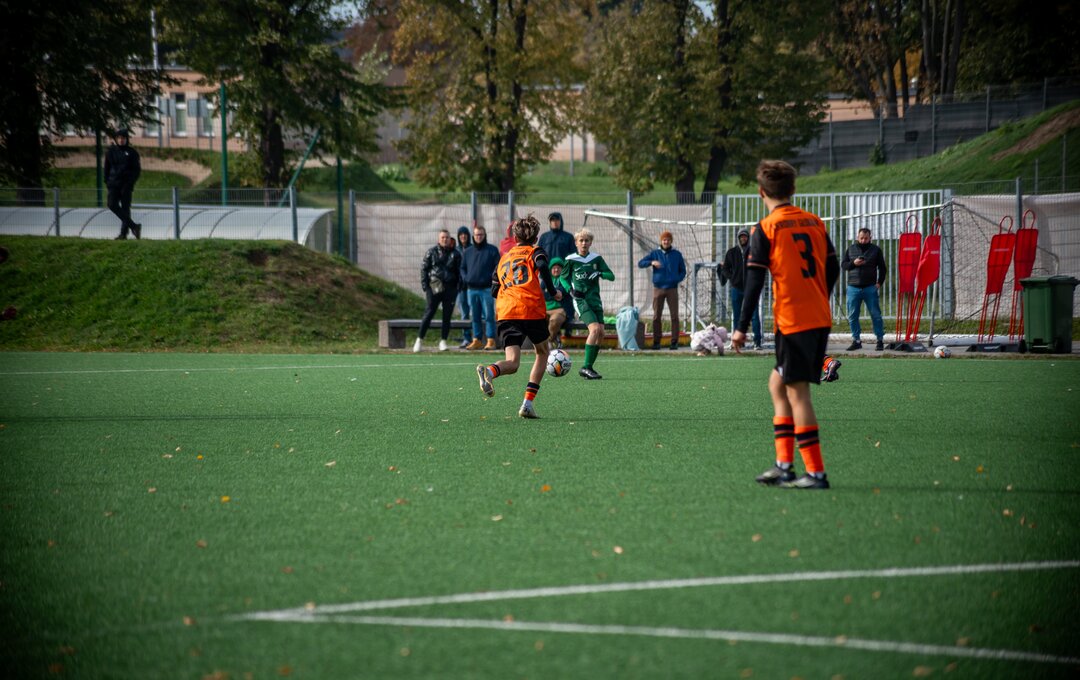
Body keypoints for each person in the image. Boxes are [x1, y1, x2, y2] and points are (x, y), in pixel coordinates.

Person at [731, 160, 840, 490]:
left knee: (797, 392)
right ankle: (784, 466)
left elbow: (754, 282)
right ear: (792, 189)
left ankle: (816, 473)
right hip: (816, 316)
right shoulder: (814, 222)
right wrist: (817, 295)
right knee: (778, 385)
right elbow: (833, 267)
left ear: (761, 192)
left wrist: (741, 327)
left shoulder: (766, 228)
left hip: (794, 321)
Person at [475, 215, 563, 419]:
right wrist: (553, 291)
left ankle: (490, 372)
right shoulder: (535, 251)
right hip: (529, 308)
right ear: (536, 238)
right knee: (543, 352)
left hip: (506, 311)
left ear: (515, 238)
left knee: (513, 362)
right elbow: (542, 265)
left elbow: (494, 289)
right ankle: (527, 404)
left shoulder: (504, 258)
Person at [563, 228, 615, 379]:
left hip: (595, 300)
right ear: (576, 243)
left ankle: (589, 367)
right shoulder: (571, 259)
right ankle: (585, 367)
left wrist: (600, 273)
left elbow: (611, 276)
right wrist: (570, 290)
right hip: (581, 300)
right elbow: (563, 278)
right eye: (581, 240)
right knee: (595, 329)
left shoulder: (596, 259)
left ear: (591, 242)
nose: (584, 243)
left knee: (601, 333)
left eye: (587, 240)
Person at [414, 229, 462, 353]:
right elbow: (424, 269)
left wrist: (458, 287)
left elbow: (459, 272)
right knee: (429, 312)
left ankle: (443, 341)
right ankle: (419, 339)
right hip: (434, 287)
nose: (445, 239)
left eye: (447, 237)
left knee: (447, 316)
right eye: (442, 237)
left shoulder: (456, 254)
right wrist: (425, 286)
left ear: (450, 239)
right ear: (439, 239)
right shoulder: (431, 252)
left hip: (450, 288)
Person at [638, 230, 687, 350]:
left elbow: (683, 271)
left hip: (672, 289)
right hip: (658, 289)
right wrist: (651, 262)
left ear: (671, 241)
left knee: (674, 316)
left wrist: (676, 279)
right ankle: (656, 342)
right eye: (664, 240)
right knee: (656, 316)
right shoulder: (655, 253)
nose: (666, 242)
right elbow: (640, 263)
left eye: (668, 240)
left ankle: (674, 342)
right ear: (661, 241)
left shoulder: (677, 254)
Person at [841, 227, 888, 351]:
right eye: (861, 238)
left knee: (876, 315)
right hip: (853, 287)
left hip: (870, 288)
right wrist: (853, 263)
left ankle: (880, 340)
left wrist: (879, 283)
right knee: (852, 316)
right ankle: (856, 340)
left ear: (870, 238)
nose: (863, 240)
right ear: (857, 237)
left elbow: (882, 268)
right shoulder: (851, 249)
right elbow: (844, 265)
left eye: (866, 238)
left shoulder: (876, 250)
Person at [719, 228, 763, 350]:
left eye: (745, 236)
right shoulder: (732, 252)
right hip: (736, 288)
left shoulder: (753, 252)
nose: (743, 238)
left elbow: (759, 267)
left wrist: (754, 281)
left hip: (751, 289)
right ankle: (738, 342)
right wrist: (732, 278)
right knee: (737, 316)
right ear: (738, 238)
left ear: (748, 238)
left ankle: (757, 341)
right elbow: (725, 269)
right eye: (741, 236)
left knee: (754, 316)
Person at [461, 223, 500, 350]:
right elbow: (462, 268)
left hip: (486, 289)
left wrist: (490, 279)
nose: (478, 237)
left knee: (489, 315)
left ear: (485, 235)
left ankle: (491, 340)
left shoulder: (492, 250)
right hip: (471, 290)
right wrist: (466, 278)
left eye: (481, 235)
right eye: (476, 235)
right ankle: (476, 340)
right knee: (475, 316)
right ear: (473, 236)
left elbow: (498, 267)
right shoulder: (468, 252)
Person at [104, 128, 142, 240]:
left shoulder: (132, 153)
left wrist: (130, 183)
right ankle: (134, 226)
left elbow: (136, 170)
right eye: (119, 138)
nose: (121, 140)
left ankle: (123, 234)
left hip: (126, 185)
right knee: (112, 204)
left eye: (123, 138)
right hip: (113, 184)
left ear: (127, 139)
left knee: (126, 208)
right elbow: (106, 168)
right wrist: (107, 182)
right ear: (116, 139)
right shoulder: (110, 152)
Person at [543, 257, 574, 347]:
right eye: (554, 268)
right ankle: (554, 338)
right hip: (545, 309)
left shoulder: (566, 280)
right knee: (537, 320)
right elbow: (542, 294)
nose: (556, 270)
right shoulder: (546, 280)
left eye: (558, 268)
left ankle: (549, 341)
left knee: (554, 320)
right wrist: (555, 293)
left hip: (560, 310)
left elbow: (563, 292)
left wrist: (549, 292)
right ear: (550, 269)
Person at [454, 225, 474, 348]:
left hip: (472, 286)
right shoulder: (456, 250)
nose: (463, 236)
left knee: (476, 313)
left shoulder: (472, 249)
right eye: (461, 234)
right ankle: (466, 338)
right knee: (464, 314)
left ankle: (477, 338)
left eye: (465, 234)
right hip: (461, 287)